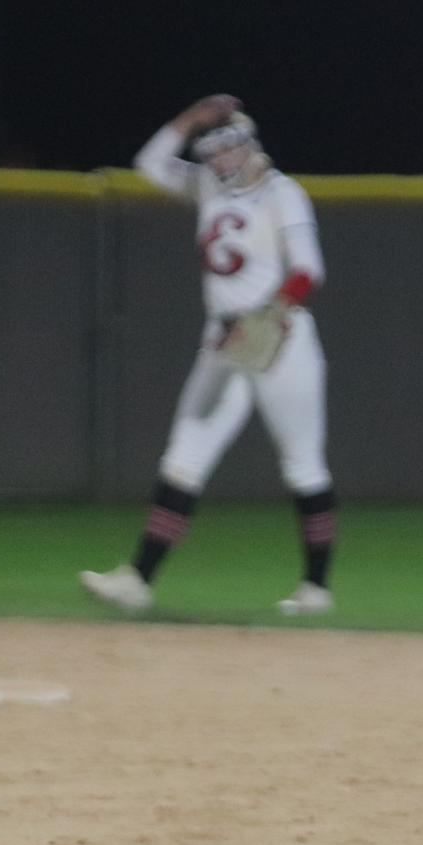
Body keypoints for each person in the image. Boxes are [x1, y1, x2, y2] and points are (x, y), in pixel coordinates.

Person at [80, 94, 338, 616]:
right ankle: (138, 579)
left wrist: (268, 318)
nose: (219, 159)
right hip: (222, 343)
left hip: (277, 341)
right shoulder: (205, 187)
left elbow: (309, 268)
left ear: (249, 144)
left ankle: (315, 588)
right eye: (211, 149)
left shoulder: (282, 193)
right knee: (183, 458)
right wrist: (188, 119)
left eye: (228, 147)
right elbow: (149, 165)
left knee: (302, 464)